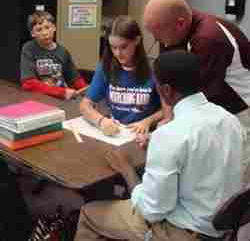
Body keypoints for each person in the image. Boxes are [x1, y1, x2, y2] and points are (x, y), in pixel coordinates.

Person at [73, 50, 243, 241]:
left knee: (89, 213)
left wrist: (126, 169)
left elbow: (152, 210)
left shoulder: (170, 136)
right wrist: (156, 137)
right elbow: (203, 147)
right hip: (223, 228)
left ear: (167, 90)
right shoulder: (229, 120)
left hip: (182, 232)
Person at [143, 0, 250, 116]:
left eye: (158, 33)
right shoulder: (172, 30)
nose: (156, 39)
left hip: (241, 112)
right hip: (216, 110)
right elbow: (166, 79)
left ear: (180, 24)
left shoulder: (209, 39)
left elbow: (199, 97)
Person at [80, 15, 162, 136]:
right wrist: (101, 121)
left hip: (145, 134)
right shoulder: (105, 67)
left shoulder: (154, 69)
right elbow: (85, 105)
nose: (118, 54)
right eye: (114, 48)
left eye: (124, 47)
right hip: (118, 132)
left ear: (137, 41)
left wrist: (147, 121)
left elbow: (168, 109)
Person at [20, 11, 88, 100]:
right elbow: (28, 83)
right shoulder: (29, 49)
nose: (45, 33)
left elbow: (75, 79)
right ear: (32, 33)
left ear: (54, 28)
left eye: (47, 27)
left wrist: (89, 93)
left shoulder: (63, 51)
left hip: (62, 99)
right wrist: (62, 92)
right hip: (40, 99)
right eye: (39, 30)